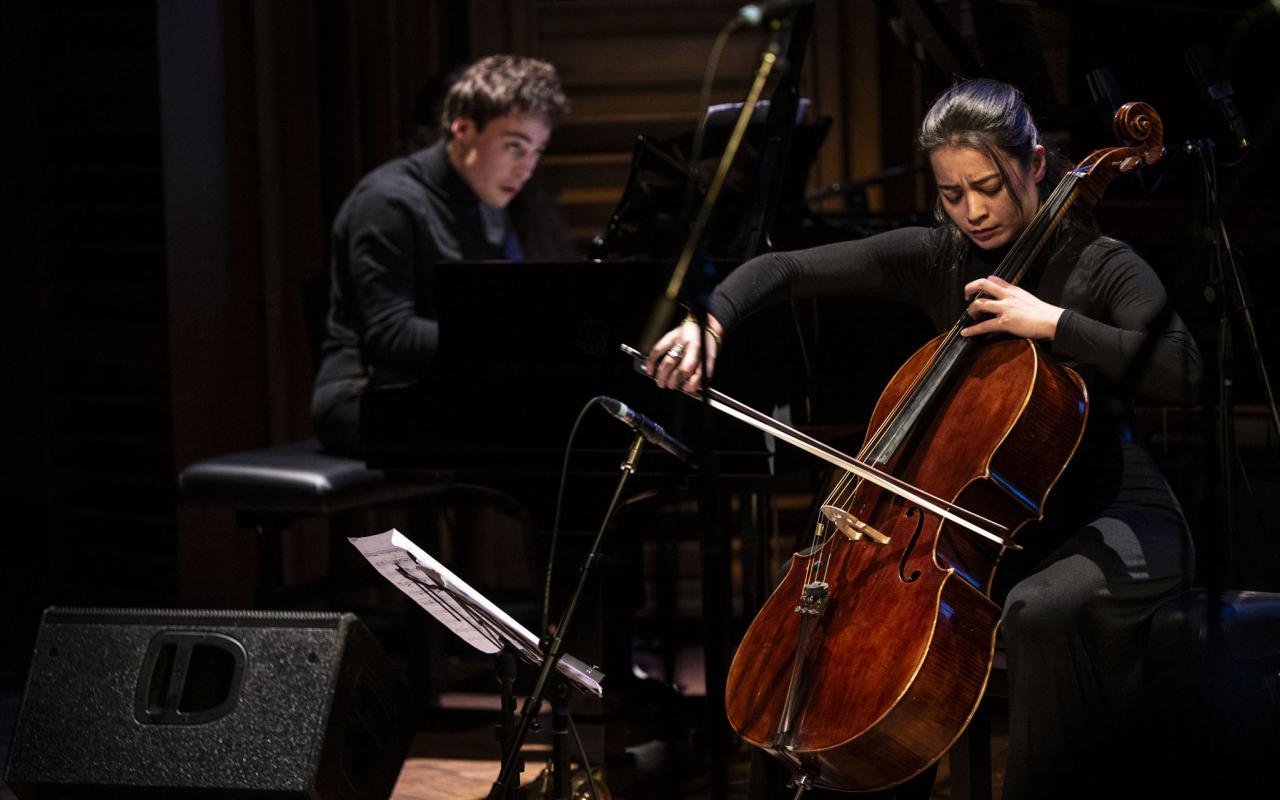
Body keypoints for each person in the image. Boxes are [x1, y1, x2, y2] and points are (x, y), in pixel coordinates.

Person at [646, 78, 1202, 799]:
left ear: (1035, 164)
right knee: (841, 624)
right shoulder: (940, 256)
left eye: (988, 187)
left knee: (1039, 611)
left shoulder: (1102, 265)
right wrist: (710, 321)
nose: (972, 212)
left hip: (1108, 510)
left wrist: (1052, 322)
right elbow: (783, 268)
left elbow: (1184, 371)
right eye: (951, 194)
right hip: (986, 522)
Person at [312, 54, 571, 454]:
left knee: (578, 423)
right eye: (515, 147)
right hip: (366, 396)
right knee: (551, 435)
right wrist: (510, 338)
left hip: (443, 388)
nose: (527, 168)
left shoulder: (489, 197)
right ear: (463, 128)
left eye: (536, 152)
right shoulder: (388, 201)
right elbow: (390, 335)